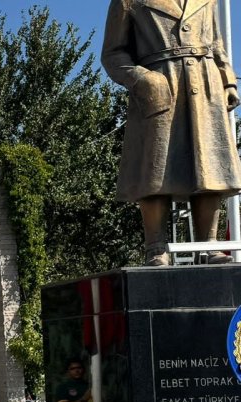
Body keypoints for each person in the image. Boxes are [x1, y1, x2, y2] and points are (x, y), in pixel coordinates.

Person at [102, 0, 241, 265]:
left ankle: (208, 246)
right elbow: (112, 54)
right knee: (156, 170)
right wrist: (142, 79)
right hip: (160, 85)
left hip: (206, 83)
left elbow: (216, 44)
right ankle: (156, 247)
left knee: (210, 167)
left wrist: (228, 80)